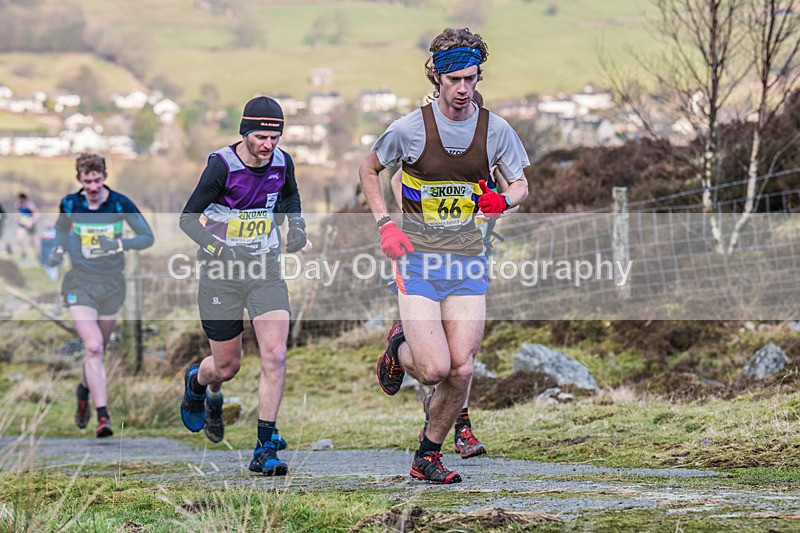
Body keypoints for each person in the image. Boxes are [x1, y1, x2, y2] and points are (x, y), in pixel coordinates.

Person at [359, 27, 530, 483]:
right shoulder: (410, 128)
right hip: (417, 260)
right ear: (436, 77)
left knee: (462, 368)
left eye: (470, 79)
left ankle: (427, 456)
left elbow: (520, 184)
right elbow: (369, 169)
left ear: (478, 77)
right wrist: (385, 225)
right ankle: (399, 347)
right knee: (433, 369)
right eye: (454, 79)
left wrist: (503, 200)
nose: (462, 88)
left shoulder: (496, 130)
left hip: (467, 260)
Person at [178, 96, 307, 476]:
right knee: (226, 366)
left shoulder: (282, 162)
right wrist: (221, 249)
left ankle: (264, 447)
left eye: (275, 137)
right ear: (245, 133)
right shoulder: (222, 166)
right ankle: (197, 381)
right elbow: (187, 219)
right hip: (221, 275)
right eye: (261, 137)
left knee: (275, 355)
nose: (269, 144)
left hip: (265, 270)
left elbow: (289, 197)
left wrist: (297, 226)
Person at [47, 153, 154, 438]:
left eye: (97, 180)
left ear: (105, 176)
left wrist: (119, 244)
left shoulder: (120, 204)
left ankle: (83, 390)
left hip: (112, 284)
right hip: (80, 282)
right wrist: (58, 250)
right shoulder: (70, 204)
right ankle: (102, 416)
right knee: (93, 347)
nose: (93, 186)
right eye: (87, 181)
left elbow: (147, 237)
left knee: (99, 348)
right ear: (79, 179)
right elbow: (60, 232)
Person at [16, 192, 40, 262]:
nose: (18, 200)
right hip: (22, 224)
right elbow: (20, 213)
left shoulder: (29, 204)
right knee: (19, 239)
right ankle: (23, 253)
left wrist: (32, 222)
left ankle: (38, 255)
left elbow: (37, 213)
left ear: (23, 198)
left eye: (20, 199)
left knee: (32, 241)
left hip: (30, 224)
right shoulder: (18, 204)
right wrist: (18, 218)